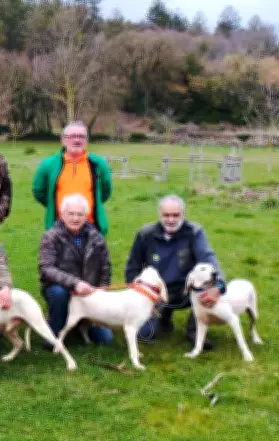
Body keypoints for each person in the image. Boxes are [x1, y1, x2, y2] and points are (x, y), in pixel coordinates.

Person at [125, 194, 225, 348]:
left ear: (183, 214)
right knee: (144, 335)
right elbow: (132, 267)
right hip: (156, 293)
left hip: (185, 290)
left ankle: (195, 330)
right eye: (166, 215)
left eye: (175, 215)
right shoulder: (145, 234)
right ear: (160, 214)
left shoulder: (194, 232)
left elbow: (209, 259)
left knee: (208, 288)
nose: (171, 220)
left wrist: (218, 287)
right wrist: (135, 294)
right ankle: (163, 318)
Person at [38, 194, 113, 348]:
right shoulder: (50, 237)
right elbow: (46, 268)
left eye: (80, 214)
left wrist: (103, 287)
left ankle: (81, 323)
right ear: (62, 214)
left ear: (86, 216)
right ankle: (55, 330)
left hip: (89, 293)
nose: (75, 218)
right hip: (62, 289)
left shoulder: (96, 237)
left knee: (105, 339)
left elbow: (106, 266)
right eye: (71, 214)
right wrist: (75, 283)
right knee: (58, 294)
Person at [33, 121, 113, 235]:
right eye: (72, 136)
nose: (77, 140)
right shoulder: (48, 165)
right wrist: (54, 203)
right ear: (63, 140)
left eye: (81, 136)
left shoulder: (99, 164)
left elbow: (105, 192)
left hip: (91, 227)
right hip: (59, 227)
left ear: (87, 140)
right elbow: (39, 191)